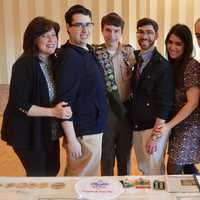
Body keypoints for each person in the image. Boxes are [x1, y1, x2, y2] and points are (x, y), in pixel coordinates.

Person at [0, 17, 72, 176]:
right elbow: (21, 104)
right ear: (33, 39)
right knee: (38, 175)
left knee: (52, 170)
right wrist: (54, 112)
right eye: (45, 35)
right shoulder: (24, 64)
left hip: (47, 129)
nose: (51, 39)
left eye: (53, 35)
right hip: (27, 132)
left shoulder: (53, 61)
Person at [54, 4, 108, 176]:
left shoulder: (86, 50)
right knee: (79, 181)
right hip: (82, 132)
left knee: (88, 177)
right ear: (68, 28)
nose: (84, 29)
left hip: (93, 127)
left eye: (88, 24)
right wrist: (71, 140)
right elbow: (64, 101)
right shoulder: (70, 58)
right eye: (78, 25)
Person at [129, 18, 174, 175]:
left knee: (154, 172)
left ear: (157, 36)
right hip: (137, 126)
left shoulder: (162, 65)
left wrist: (155, 137)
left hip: (153, 128)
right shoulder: (135, 60)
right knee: (143, 168)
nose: (144, 36)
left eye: (149, 32)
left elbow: (165, 104)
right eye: (141, 32)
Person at [155, 24, 200, 174]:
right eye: (170, 42)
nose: (172, 47)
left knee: (173, 166)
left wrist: (168, 126)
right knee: (187, 166)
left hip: (189, 126)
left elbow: (193, 102)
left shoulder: (191, 65)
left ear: (186, 46)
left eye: (178, 44)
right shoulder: (172, 65)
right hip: (177, 124)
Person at [94, 12, 135, 176]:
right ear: (102, 31)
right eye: (108, 30)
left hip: (126, 109)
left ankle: (125, 188)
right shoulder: (95, 53)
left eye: (116, 31)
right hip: (106, 109)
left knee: (125, 153)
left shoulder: (129, 53)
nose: (112, 35)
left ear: (121, 32)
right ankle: (107, 187)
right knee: (106, 153)